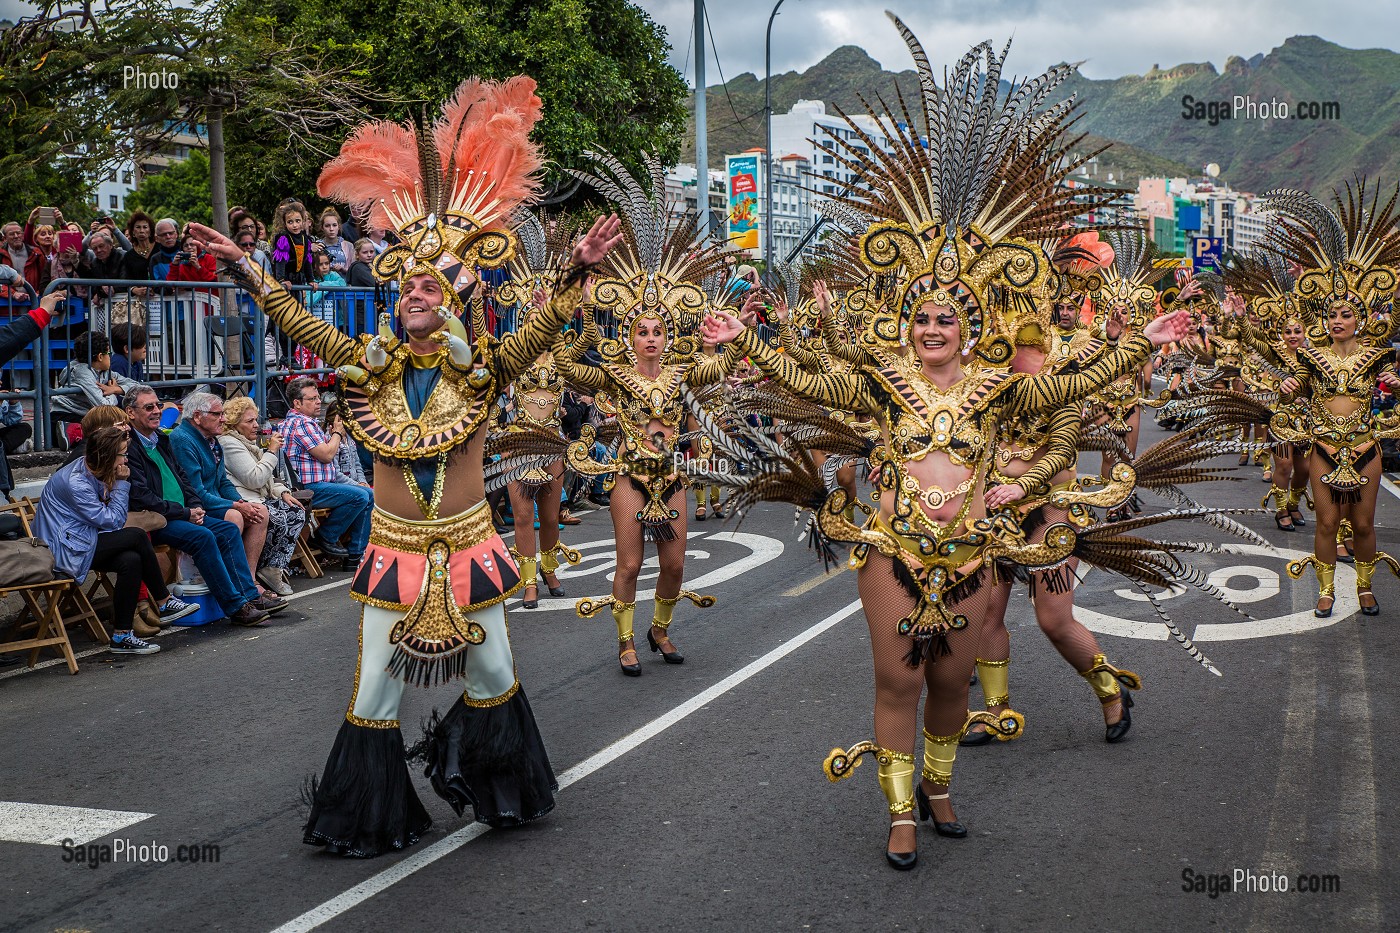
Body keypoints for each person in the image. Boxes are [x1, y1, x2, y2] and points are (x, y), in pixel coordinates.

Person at [699, 21, 1195, 869]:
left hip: (971, 552)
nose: (933, 326)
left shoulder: (1004, 388)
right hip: (894, 550)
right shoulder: (882, 383)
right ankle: (899, 813)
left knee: (950, 687)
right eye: (922, 316)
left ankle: (936, 780)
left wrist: (1140, 340)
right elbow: (813, 384)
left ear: (970, 327)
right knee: (896, 680)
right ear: (908, 323)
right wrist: (745, 344)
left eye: (948, 317)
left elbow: (1067, 392)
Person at [188, 73, 621, 856]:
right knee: (374, 690)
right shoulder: (362, 362)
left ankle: (496, 787)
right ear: (395, 297)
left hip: (469, 550)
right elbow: (293, 316)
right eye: (408, 281)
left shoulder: (484, 366)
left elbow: (543, 326)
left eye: (432, 282)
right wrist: (242, 267)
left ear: (451, 300)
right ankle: (368, 816)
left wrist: (577, 271)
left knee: (492, 677)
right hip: (393, 550)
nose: (417, 290)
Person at [558, 155, 738, 675]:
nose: (652, 337)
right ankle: (626, 640)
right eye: (642, 330)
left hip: (672, 473)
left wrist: (737, 328)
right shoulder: (614, 373)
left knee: (676, 563)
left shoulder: (683, 373)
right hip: (628, 474)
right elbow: (569, 363)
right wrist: (582, 310)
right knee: (630, 563)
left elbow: (721, 364)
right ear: (631, 335)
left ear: (667, 336)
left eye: (659, 330)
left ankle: (660, 626)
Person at [1273, 181, 1400, 618]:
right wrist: (1288, 388)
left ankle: (1364, 587)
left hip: (1365, 446)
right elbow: (1291, 390)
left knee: (1363, 524)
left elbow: (1392, 397)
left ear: (1362, 318)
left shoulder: (1379, 356)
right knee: (1327, 523)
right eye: (1331, 314)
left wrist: (1395, 386)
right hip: (1324, 447)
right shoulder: (1311, 356)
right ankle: (1326, 591)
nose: (1337, 320)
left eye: (1347, 314)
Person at [34, 425, 200, 655]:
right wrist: (121, 484)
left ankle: (122, 635)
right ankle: (163, 601)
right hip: (64, 551)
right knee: (137, 536)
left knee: (130, 560)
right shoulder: (76, 483)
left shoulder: (94, 469)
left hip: (84, 539)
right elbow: (112, 521)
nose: (126, 459)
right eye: (123, 454)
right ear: (107, 456)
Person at [122, 386, 281, 626]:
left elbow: (185, 482)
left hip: (181, 512)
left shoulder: (161, 440)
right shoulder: (131, 446)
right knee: (204, 536)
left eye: (157, 405)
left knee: (227, 529)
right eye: (149, 407)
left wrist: (195, 507)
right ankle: (235, 607)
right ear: (130, 412)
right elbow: (142, 496)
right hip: (154, 518)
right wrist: (187, 511)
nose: (157, 411)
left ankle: (249, 595)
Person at [170, 391, 278, 595]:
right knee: (235, 515)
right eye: (217, 414)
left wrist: (241, 501)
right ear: (197, 417)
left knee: (259, 512)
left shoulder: (212, 439)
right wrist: (236, 506)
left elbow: (223, 482)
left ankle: (250, 580)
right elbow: (196, 492)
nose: (224, 419)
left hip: (213, 501)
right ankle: (231, 583)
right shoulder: (183, 440)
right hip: (195, 507)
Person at [279, 377, 373, 567]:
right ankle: (327, 537)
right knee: (360, 497)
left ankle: (355, 555)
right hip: (309, 488)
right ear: (297, 403)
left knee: (367, 494)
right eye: (312, 399)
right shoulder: (302, 423)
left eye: (318, 397)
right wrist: (337, 432)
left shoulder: (304, 422)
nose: (318, 402)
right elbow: (327, 455)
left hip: (322, 484)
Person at [219, 396, 307, 596]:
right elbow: (256, 478)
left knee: (296, 511)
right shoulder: (229, 443)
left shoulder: (246, 442)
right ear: (235, 424)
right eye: (249, 421)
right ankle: (257, 572)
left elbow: (267, 481)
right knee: (276, 516)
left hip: (260, 496)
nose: (256, 425)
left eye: (256, 420)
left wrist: (282, 492)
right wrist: (272, 451)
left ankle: (272, 569)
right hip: (245, 499)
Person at [52, 330, 136, 445]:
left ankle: (76, 434)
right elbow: (103, 406)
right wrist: (113, 394)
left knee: (123, 428)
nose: (110, 357)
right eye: (109, 354)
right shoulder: (82, 372)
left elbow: (136, 386)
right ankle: (71, 432)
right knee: (110, 434)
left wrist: (115, 389)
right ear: (100, 357)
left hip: (86, 416)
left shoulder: (106, 372)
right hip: (66, 415)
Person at [317, 208, 354, 277]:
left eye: (334, 225)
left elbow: (354, 270)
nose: (331, 229)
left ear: (339, 226)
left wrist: (343, 269)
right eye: (327, 226)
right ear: (322, 228)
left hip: (343, 284)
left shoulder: (348, 246)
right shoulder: (317, 245)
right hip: (323, 285)